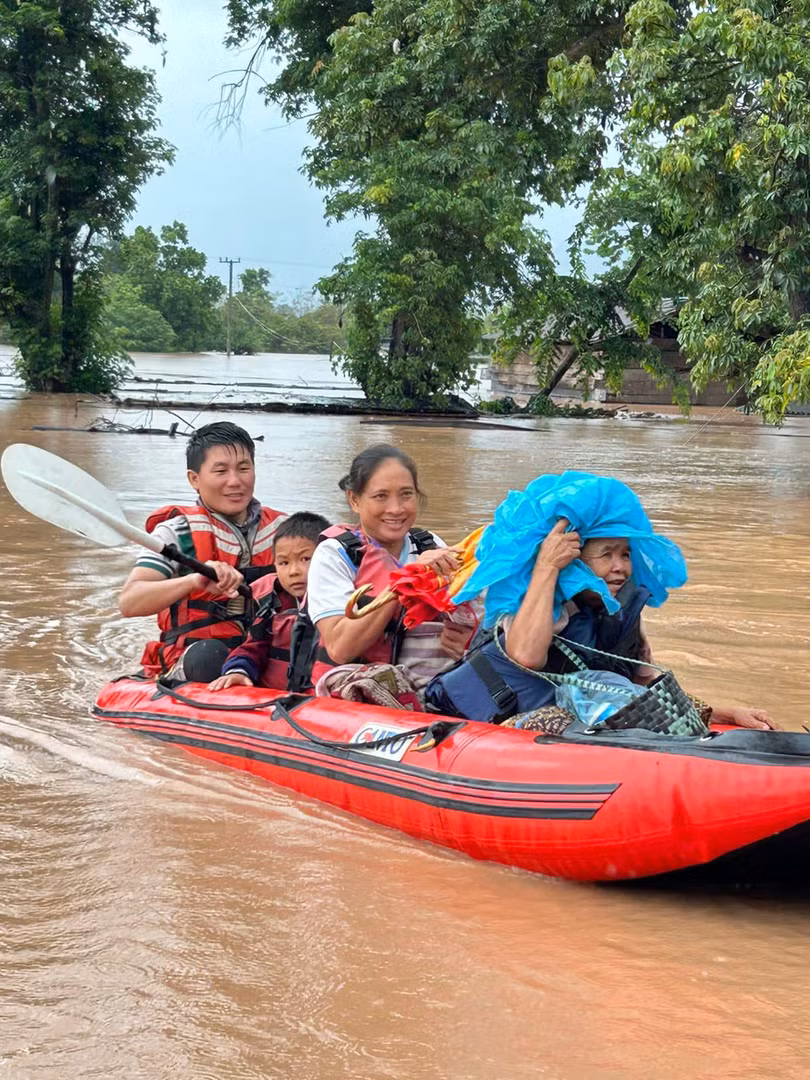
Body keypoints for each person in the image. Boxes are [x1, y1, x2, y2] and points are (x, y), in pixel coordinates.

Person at [425, 520, 777, 730]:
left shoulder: (622, 612)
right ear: (575, 562)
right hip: (473, 714)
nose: (620, 567)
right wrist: (548, 566)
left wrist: (727, 712)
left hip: (568, 717)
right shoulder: (537, 601)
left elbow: (648, 692)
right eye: (605, 555)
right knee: (556, 718)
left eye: (625, 554)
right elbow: (527, 657)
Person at [119, 421, 286, 682]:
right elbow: (130, 602)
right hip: (202, 656)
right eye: (220, 471)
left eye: (244, 469)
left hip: (264, 651)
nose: (235, 481)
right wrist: (192, 581)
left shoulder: (286, 531)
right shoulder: (175, 534)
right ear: (194, 479)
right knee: (210, 657)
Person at [305, 443, 474, 681]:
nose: (396, 509)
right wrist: (407, 578)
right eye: (380, 496)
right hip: (357, 687)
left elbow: (463, 613)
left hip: (429, 683)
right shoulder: (334, 554)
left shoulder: (430, 544)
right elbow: (339, 649)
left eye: (406, 494)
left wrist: (464, 640)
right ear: (354, 500)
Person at [208, 512, 330, 692]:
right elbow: (255, 646)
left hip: (320, 702)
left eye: (305, 559)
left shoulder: (341, 604)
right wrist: (238, 671)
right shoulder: (272, 602)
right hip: (275, 700)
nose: (293, 571)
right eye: (283, 563)